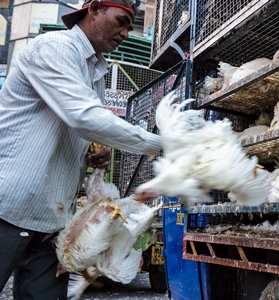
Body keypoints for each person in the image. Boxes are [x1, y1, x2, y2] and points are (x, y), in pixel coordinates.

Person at [0, 0, 162, 298]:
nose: (126, 33)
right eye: (121, 20)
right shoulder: (54, 48)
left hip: (53, 218)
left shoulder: (95, 72)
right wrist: (159, 143)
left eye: (130, 25)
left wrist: (94, 153)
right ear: (96, 9)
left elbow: (80, 128)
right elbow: (83, 116)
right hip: (9, 207)